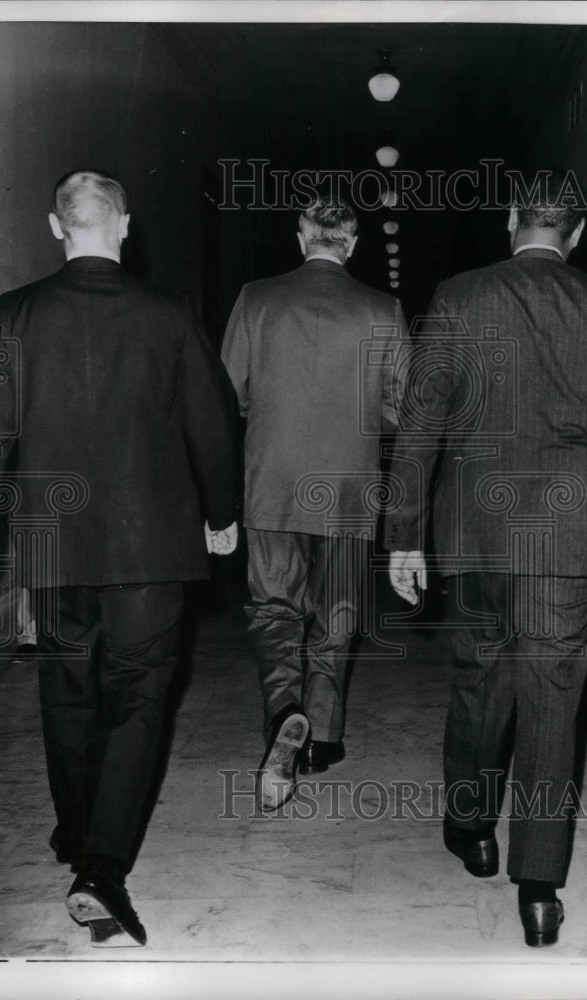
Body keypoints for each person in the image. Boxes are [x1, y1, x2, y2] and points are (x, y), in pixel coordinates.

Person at [0, 170, 239, 947]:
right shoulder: (167, 315)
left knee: (66, 688)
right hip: (150, 542)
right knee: (138, 696)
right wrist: (220, 516)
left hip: (52, 541)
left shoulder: (13, 314)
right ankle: (102, 867)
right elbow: (212, 424)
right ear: (124, 225)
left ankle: (77, 832)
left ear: (57, 228)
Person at [385, 169, 587, 947]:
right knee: (553, 700)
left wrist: (401, 533)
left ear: (511, 220)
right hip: (569, 532)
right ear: (576, 234)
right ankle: (538, 889)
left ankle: (471, 831)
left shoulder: (461, 296)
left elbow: (419, 423)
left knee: (478, 677)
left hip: (476, 527)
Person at [222, 190, 406, 811]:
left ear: (300, 238)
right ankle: (323, 735)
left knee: (275, 608)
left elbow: (232, 395)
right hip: (351, 488)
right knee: (341, 611)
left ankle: (284, 712)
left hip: (271, 483)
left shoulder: (256, 299)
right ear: (351, 244)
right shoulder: (383, 308)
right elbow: (397, 409)